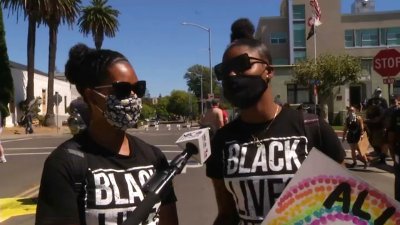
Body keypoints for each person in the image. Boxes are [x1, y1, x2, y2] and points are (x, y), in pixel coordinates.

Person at [206, 37, 345, 224]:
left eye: (241, 65)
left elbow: (346, 202)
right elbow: (226, 215)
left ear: (268, 71)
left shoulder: (312, 127)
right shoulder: (222, 140)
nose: (231, 75)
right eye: (223, 71)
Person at [35, 43, 179, 225]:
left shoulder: (154, 157)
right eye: (123, 90)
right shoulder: (65, 164)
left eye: (139, 88)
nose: (133, 98)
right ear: (91, 96)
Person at [364, 87, 389, 164]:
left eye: (379, 92)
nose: (378, 93)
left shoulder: (383, 101)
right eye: (377, 91)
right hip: (371, 125)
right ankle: (378, 153)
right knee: (372, 141)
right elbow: (367, 110)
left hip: (379, 125)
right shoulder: (371, 101)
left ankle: (382, 158)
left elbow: (384, 113)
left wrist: (377, 119)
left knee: (381, 142)